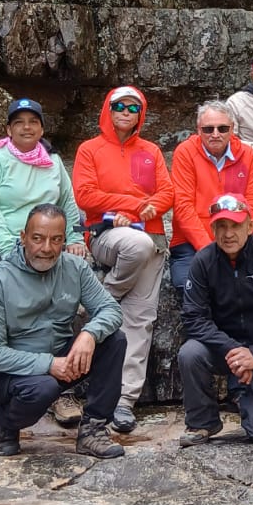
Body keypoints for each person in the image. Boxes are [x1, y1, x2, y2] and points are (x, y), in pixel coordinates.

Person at [0, 204, 125, 460]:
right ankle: (7, 424)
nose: (47, 248)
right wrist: (49, 364)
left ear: (64, 240)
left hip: (60, 358)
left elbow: (111, 309)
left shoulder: (75, 268)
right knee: (43, 388)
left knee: (114, 340)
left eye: (56, 240)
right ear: (23, 237)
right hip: (9, 373)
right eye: (38, 238)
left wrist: (89, 334)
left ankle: (93, 430)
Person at [72, 85, 173, 433]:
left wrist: (147, 207)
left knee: (141, 319)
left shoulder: (151, 151)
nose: (126, 112)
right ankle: (109, 296)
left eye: (133, 108)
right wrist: (134, 205)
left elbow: (167, 192)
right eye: (119, 106)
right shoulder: (90, 149)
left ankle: (125, 401)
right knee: (136, 245)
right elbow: (85, 195)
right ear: (108, 108)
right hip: (108, 236)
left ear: (141, 115)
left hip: (152, 237)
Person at [178, 195, 253, 446]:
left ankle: (245, 396)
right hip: (223, 348)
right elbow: (193, 317)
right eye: (221, 226)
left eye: (235, 225)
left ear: (250, 225)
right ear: (212, 229)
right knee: (190, 353)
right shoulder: (203, 261)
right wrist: (233, 350)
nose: (228, 234)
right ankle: (202, 422)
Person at [0, 98, 83, 278]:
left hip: (45, 245)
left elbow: (67, 201)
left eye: (33, 122)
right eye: (19, 122)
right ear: (9, 130)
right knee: (5, 285)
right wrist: (10, 250)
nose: (27, 127)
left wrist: (75, 239)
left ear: (42, 129)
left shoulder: (54, 161)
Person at [168, 101, 253, 294]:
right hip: (191, 242)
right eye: (208, 129)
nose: (215, 134)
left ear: (232, 129)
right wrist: (211, 250)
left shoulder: (247, 154)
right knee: (189, 286)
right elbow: (183, 207)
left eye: (223, 128)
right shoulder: (185, 152)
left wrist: (236, 241)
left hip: (237, 239)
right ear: (198, 130)